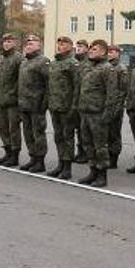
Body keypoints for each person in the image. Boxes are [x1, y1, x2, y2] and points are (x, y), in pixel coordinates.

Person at [75, 39, 113, 187]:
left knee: (100, 146)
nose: (91, 51)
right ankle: (92, 171)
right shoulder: (87, 67)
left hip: (98, 113)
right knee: (87, 144)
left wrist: (108, 114)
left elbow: (112, 94)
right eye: (90, 49)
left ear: (104, 51)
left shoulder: (107, 68)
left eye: (95, 49)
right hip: (85, 111)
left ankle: (102, 174)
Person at [46, 36, 80, 179]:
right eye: (59, 43)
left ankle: (67, 167)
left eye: (64, 44)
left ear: (71, 46)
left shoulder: (73, 63)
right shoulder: (53, 64)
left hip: (67, 107)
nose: (61, 46)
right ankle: (60, 163)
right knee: (58, 136)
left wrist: (74, 107)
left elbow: (77, 86)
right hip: (55, 106)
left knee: (68, 137)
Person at [17, 34, 50, 172]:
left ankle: (40, 161)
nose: (28, 46)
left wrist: (44, 104)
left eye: (32, 43)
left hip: (37, 105)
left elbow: (49, 84)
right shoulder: (24, 62)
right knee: (28, 134)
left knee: (38, 134)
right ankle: (33, 158)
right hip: (25, 104)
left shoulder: (43, 61)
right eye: (27, 44)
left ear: (39, 45)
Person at [0, 33, 23, 167]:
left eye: (9, 41)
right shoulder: (3, 59)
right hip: (2, 99)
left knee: (13, 129)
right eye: (5, 41)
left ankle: (15, 155)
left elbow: (21, 80)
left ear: (15, 43)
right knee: (2, 128)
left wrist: (16, 96)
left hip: (13, 100)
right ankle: (8, 152)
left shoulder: (18, 58)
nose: (6, 44)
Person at [104, 44, 130, 169]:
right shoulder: (105, 67)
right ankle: (106, 156)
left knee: (114, 133)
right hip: (104, 105)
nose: (109, 54)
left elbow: (122, 90)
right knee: (105, 132)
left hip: (115, 105)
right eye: (108, 51)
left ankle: (113, 158)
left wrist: (117, 106)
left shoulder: (121, 68)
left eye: (112, 52)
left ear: (118, 54)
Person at [72, 39, 91, 164]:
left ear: (87, 48)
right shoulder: (75, 62)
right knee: (78, 128)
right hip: (74, 100)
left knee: (85, 129)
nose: (78, 48)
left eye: (81, 46)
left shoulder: (88, 63)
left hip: (85, 101)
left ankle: (85, 153)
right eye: (77, 46)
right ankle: (80, 152)